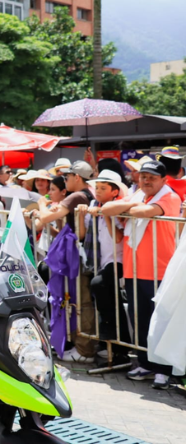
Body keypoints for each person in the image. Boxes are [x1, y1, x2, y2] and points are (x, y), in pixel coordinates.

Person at [101, 161, 182, 389]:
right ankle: (146, 364)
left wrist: (124, 207)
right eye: (143, 176)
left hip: (160, 271)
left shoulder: (170, 197)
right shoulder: (138, 196)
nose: (146, 181)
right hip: (134, 270)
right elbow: (107, 208)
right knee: (141, 320)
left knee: (160, 322)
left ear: (164, 180)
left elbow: (143, 212)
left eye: (152, 177)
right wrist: (127, 206)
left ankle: (163, 370)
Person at [36, 160, 97, 363]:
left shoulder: (77, 196)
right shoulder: (86, 194)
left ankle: (85, 350)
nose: (65, 180)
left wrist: (41, 204)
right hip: (80, 255)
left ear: (77, 177)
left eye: (67, 177)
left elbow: (45, 218)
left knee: (82, 302)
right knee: (76, 301)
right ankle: (78, 345)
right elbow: (65, 228)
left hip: (79, 257)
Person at [76, 170, 129, 345]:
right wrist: (81, 215)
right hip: (99, 260)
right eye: (97, 187)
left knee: (98, 284)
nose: (98, 191)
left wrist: (105, 214)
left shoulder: (118, 206)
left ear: (115, 192)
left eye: (103, 188)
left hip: (118, 259)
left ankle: (109, 328)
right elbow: (81, 234)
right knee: (112, 298)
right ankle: (116, 344)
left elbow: (118, 237)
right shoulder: (93, 204)